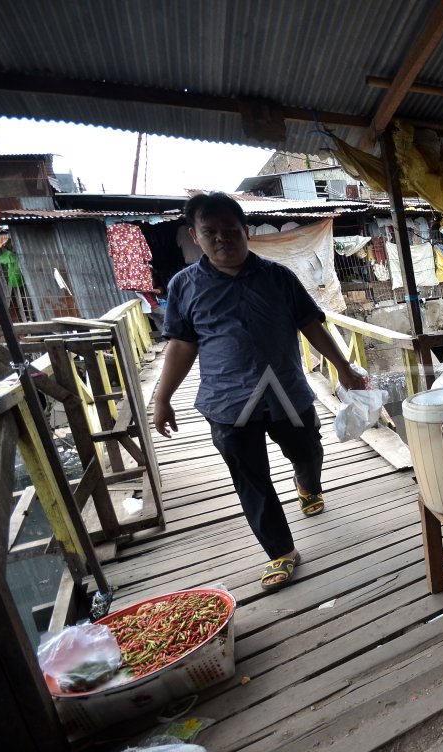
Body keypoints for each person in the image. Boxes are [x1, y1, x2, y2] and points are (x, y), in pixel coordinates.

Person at [153, 192, 367, 591]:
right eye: (210, 232)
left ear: (246, 232)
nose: (222, 239)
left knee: (308, 450)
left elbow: (312, 325)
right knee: (251, 480)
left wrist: (344, 368)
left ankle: (307, 483)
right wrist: (162, 398)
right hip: (228, 401)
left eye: (231, 231)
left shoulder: (278, 276)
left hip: (286, 391)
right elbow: (181, 345)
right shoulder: (185, 286)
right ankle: (281, 552)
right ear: (194, 236)